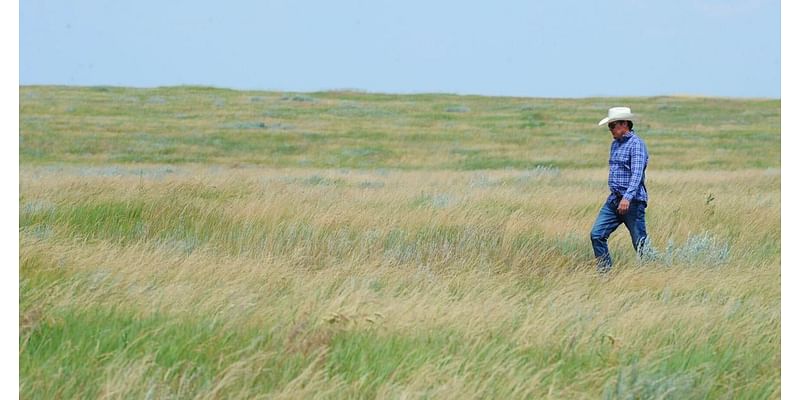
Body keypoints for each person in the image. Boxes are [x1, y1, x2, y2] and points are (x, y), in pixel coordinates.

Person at [590, 107, 649, 273]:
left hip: (632, 202)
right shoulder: (615, 145)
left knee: (640, 244)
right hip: (614, 200)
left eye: (612, 126)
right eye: (610, 126)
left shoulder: (636, 145)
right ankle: (605, 274)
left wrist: (627, 198)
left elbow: (636, 175)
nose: (610, 130)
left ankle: (654, 273)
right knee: (597, 235)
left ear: (624, 124)